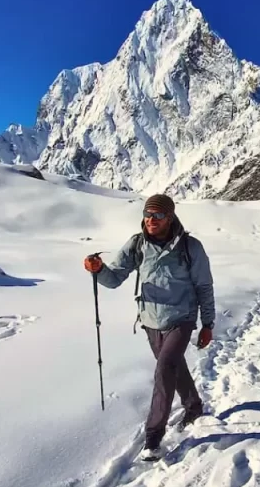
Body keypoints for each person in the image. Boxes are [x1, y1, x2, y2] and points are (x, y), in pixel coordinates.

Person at [83, 194, 215, 461]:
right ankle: (193, 407)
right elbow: (114, 278)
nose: (151, 220)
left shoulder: (191, 247)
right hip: (150, 320)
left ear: (170, 217)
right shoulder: (137, 244)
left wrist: (207, 324)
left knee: (165, 368)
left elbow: (204, 286)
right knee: (173, 367)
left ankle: (153, 437)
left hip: (182, 317)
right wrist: (98, 270)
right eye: (147, 214)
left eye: (158, 215)